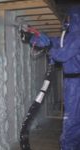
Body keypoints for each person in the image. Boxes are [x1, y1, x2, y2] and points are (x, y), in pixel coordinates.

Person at [50, 6, 80, 150]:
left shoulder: (76, 36)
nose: (65, 21)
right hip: (74, 82)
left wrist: (49, 49)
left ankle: (68, 147)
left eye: (68, 17)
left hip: (75, 84)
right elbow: (60, 43)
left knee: (71, 120)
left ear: (74, 18)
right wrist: (48, 40)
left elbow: (61, 55)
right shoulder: (72, 36)